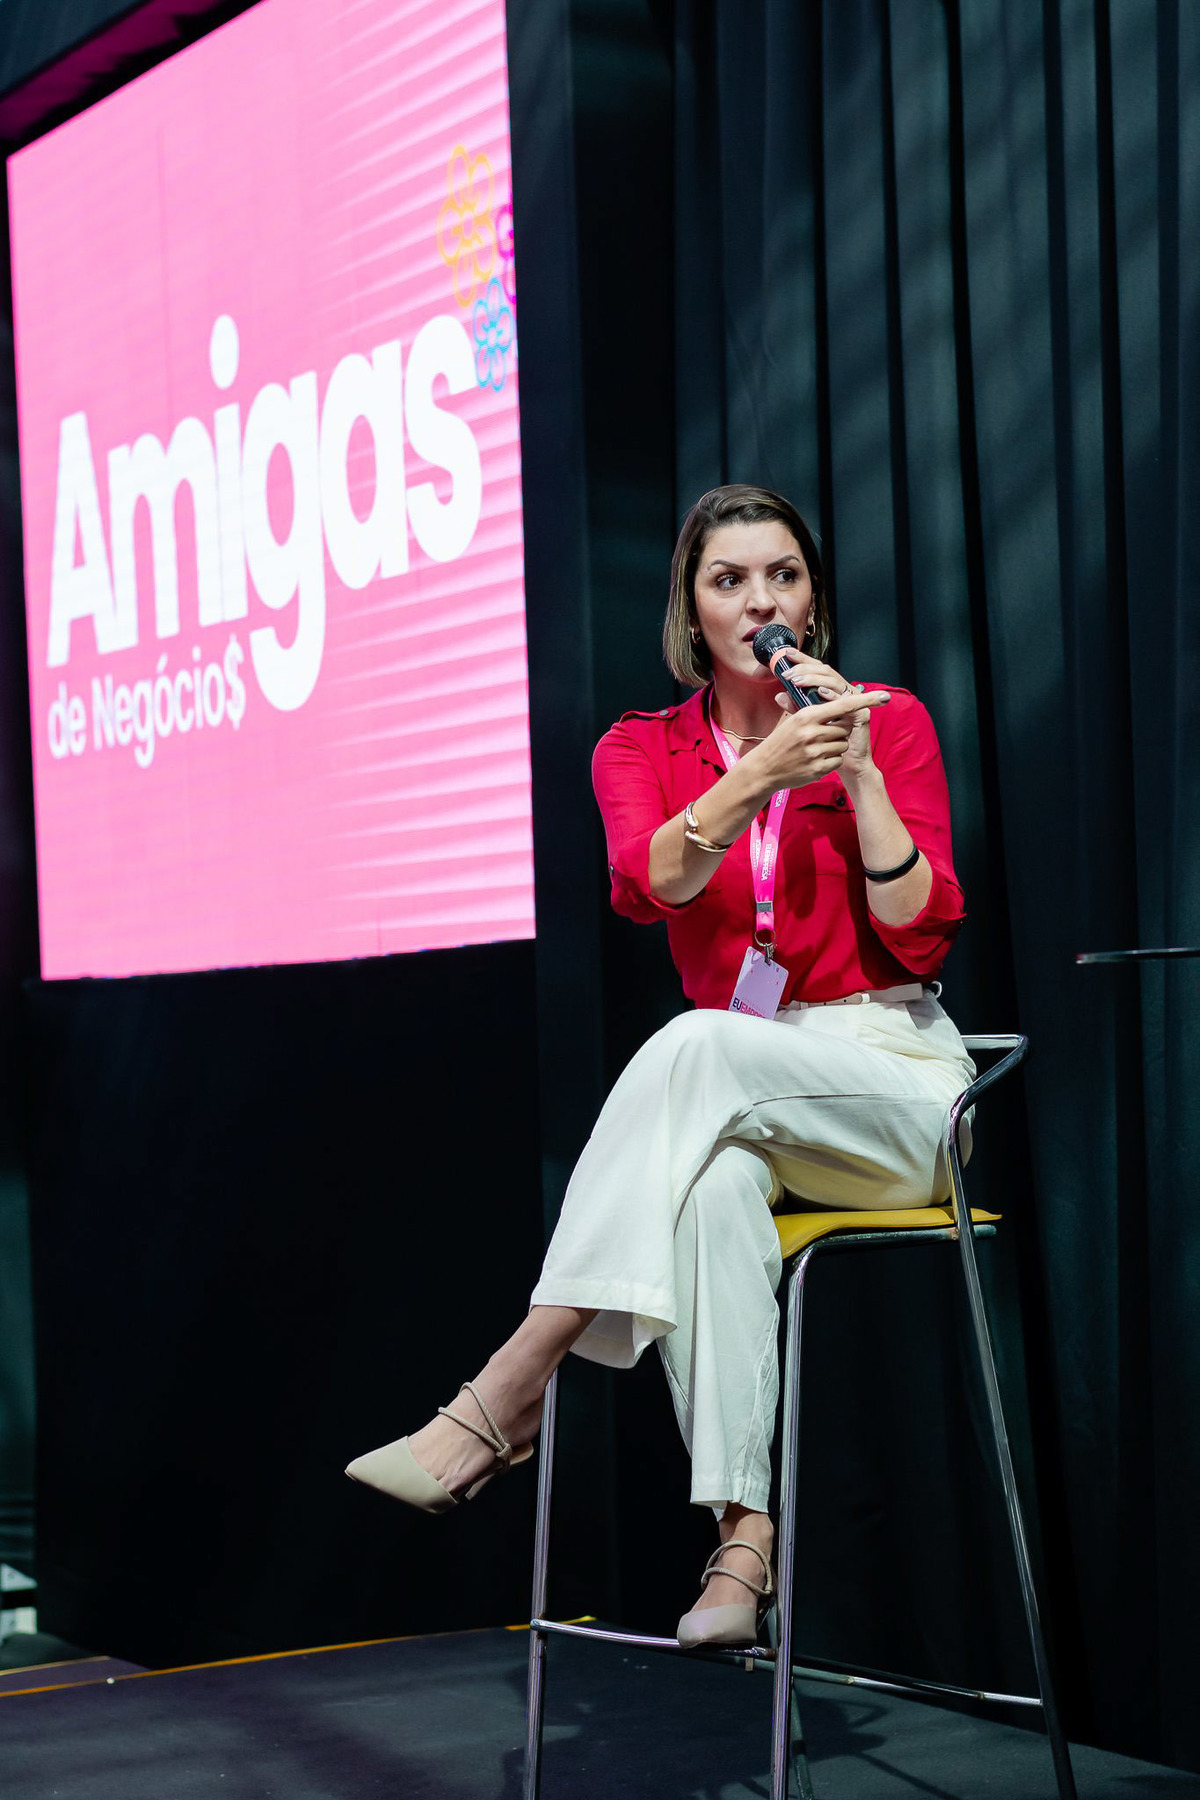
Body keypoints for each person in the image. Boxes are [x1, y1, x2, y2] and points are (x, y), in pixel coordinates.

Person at [347, 483, 974, 1650]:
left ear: (814, 599)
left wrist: (862, 773)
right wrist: (760, 775)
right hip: (746, 1088)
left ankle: (514, 1381)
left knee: (689, 1050)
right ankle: (744, 1541)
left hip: (895, 1076)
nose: (761, 601)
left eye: (782, 576)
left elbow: (926, 929)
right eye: (729, 580)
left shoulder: (888, 717)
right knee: (708, 1186)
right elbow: (654, 886)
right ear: (692, 609)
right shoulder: (642, 748)